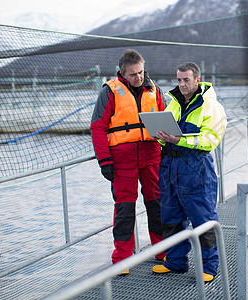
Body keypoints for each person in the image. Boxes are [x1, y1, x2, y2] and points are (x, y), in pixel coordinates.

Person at [90, 49, 165, 273]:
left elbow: (166, 119)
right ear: (122, 73)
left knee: (158, 204)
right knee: (124, 208)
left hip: (152, 156)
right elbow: (97, 127)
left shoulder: (155, 90)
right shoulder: (109, 92)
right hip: (122, 162)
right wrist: (104, 161)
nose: (138, 78)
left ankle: (162, 250)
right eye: (133, 74)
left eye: (141, 72)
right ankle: (122, 258)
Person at [152, 62, 227, 282]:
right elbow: (167, 130)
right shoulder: (173, 103)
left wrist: (179, 139)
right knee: (171, 217)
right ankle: (175, 262)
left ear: (197, 79)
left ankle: (210, 267)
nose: (182, 84)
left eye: (186, 79)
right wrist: (161, 135)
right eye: (179, 80)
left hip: (195, 168)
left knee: (203, 218)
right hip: (170, 168)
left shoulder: (211, 106)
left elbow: (210, 140)